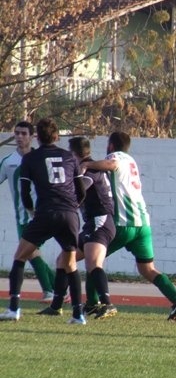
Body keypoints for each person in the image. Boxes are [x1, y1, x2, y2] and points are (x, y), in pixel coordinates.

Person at [83, 132, 176, 321]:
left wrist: (87, 164)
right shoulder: (132, 162)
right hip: (143, 226)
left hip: (124, 223)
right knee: (147, 269)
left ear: (111, 145)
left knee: (94, 261)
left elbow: (111, 164)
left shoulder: (116, 157)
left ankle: (92, 303)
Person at [0, 118, 86, 323]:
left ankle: (14, 309)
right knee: (71, 264)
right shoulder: (70, 157)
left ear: (36, 136)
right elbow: (81, 192)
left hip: (46, 213)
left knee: (20, 257)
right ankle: (78, 315)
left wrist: (32, 210)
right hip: (69, 215)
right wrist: (71, 209)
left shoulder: (30, 158)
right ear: (57, 136)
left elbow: (25, 193)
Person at [39, 137, 118, 319]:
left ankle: (108, 304)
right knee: (63, 260)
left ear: (74, 153)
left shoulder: (89, 169)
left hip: (101, 221)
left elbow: (81, 188)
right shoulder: (90, 166)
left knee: (93, 263)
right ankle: (56, 306)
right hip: (93, 223)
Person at [0, 121, 57, 302]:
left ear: (32, 136)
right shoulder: (8, 162)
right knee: (31, 252)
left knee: (29, 252)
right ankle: (58, 288)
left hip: (41, 213)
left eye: (24, 133)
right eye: (17, 133)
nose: (19, 137)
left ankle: (50, 290)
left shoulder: (40, 159)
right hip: (22, 215)